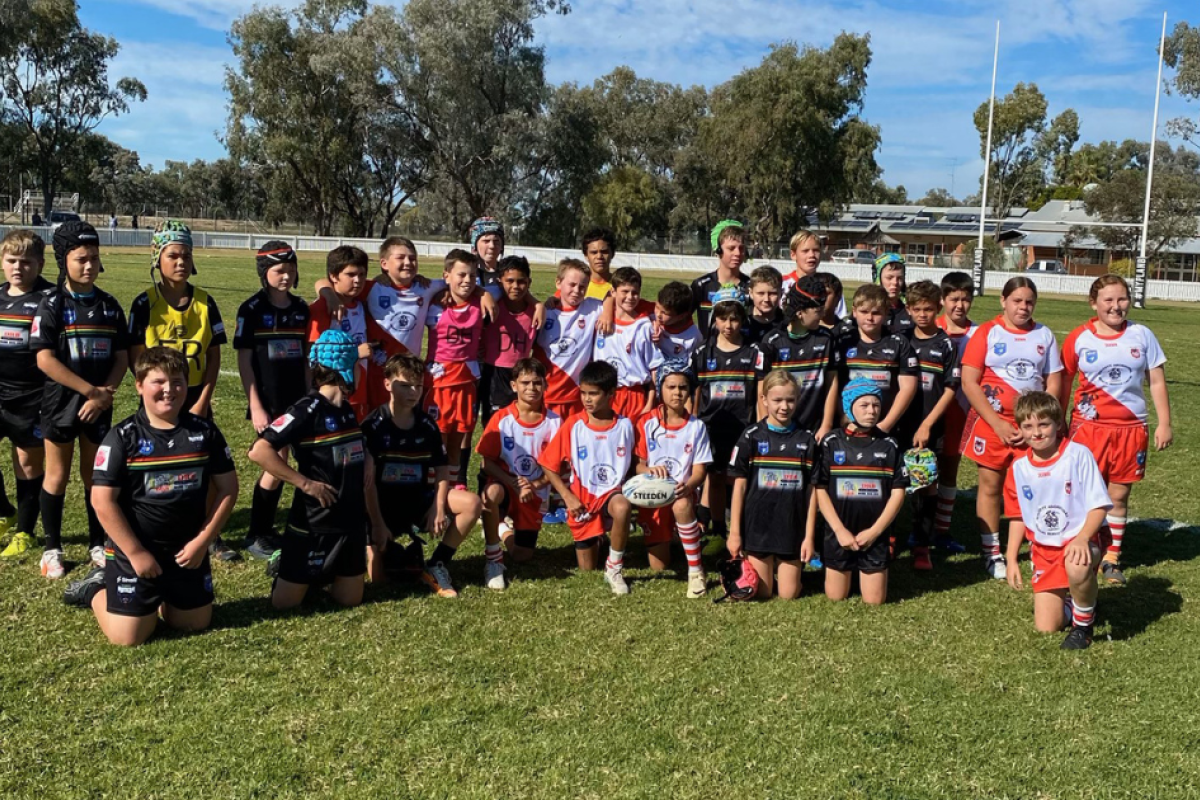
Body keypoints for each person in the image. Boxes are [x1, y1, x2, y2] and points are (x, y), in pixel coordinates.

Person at [60, 348, 238, 646]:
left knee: (194, 624)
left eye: (178, 381)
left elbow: (229, 488)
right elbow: (102, 501)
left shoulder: (205, 431)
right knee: (129, 638)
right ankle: (95, 589)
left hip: (186, 551)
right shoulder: (122, 437)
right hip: (136, 552)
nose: (169, 390)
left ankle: (161, 595)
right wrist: (135, 552)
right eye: (159, 382)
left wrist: (202, 542)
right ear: (139, 385)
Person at [31, 222, 129, 579]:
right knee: (56, 476)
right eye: (81, 259)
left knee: (95, 477)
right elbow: (44, 359)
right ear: (63, 260)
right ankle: (52, 548)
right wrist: (90, 391)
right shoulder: (52, 304)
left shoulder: (109, 305)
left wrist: (104, 395)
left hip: (99, 404)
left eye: (94, 258)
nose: (89, 266)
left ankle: (98, 543)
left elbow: (121, 358)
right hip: (61, 403)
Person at [248, 330, 372, 610]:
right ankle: (285, 560)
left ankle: (321, 574)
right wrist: (305, 483)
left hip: (350, 523)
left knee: (350, 600)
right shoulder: (308, 409)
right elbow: (259, 451)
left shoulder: (347, 410)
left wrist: (368, 457)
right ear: (345, 368)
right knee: (284, 605)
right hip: (314, 523)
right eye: (357, 365)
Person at [1061, 274, 1172, 586]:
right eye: (1108, 300)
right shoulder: (1079, 337)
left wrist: (1164, 423)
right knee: (1084, 493)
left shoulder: (1142, 334)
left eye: (1121, 299)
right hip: (1088, 428)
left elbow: (1157, 380)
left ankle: (1111, 558)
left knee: (1119, 494)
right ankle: (1085, 548)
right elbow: (1065, 381)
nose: (1115, 306)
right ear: (1093, 303)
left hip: (1131, 428)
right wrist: (1058, 421)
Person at [961, 276, 1063, 579]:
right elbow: (969, 382)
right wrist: (998, 424)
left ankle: (1037, 548)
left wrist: (1038, 423)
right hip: (992, 427)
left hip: (1030, 430)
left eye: (1029, 301)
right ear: (1003, 301)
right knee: (991, 487)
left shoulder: (1044, 334)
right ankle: (992, 553)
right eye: (1017, 301)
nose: (1024, 307)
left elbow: (1053, 380)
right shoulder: (987, 332)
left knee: (1032, 488)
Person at [363, 353, 483, 597]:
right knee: (379, 581)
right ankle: (378, 547)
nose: (413, 392)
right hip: (380, 508)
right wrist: (377, 524)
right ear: (387, 384)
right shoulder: (373, 425)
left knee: (472, 503)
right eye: (405, 385)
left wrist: (438, 507)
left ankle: (437, 563)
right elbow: (366, 485)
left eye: (418, 386)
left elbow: (441, 470)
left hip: (418, 500)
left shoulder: (428, 425)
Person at [1003, 391, 1113, 650]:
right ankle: (1080, 598)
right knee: (1046, 626)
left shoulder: (1077, 455)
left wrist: (1083, 538)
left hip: (1081, 538)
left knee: (1077, 564)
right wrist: (1010, 559)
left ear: (1058, 424)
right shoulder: (1019, 469)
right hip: (1044, 550)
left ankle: (1083, 627)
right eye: (1028, 426)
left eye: (1044, 424)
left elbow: (1099, 505)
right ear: (1020, 429)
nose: (1037, 432)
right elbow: (1018, 516)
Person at [234, 241, 310, 560]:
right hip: (269, 402)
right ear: (264, 273)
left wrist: (310, 399)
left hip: (298, 401)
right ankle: (257, 532)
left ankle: (283, 528)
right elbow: (244, 361)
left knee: (294, 460)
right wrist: (256, 405)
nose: (286, 276)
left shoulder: (301, 308)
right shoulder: (251, 310)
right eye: (279, 270)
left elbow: (306, 358)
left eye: (290, 270)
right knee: (274, 460)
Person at [537, 361, 636, 595]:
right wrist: (567, 497)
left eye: (593, 394)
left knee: (621, 507)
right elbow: (548, 465)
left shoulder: (625, 426)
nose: (587, 399)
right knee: (587, 570)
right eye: (583, 393)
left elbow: (636, 463)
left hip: (612, 494)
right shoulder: (574, 425)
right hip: (582, 502)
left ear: (611, 393)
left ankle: (615, 567)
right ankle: (599, 540)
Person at [815, 379, 908, 605]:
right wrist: (839, 530)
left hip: (874, 536)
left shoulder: (889, 445)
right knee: (836, 597)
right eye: (864, 405)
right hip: (839, 534)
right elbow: (820, 489)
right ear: (849, 407)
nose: (871, 411)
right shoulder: (831, 442)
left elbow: (898, 493)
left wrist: (874, 532)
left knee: (875, 601)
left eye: (876, 405)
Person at [728, 370, 818, 600]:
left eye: (790, 400)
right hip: (758, 527)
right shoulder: (751, 437)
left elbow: (812, 493)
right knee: (764, 592)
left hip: (791, 529)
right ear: (764, 400)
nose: (784, 407)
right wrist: (735, 534)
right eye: (777, 400)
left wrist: (809, 537)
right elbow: (739, 488)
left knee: (788, 595)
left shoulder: (806, 440)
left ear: (798, 400)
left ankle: (792, 575)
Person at [632, 359, 712, 597]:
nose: (677, 393)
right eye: (671, 387)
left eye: (683, 387)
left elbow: (699, 472)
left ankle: (696, 572)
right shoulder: (646, 423)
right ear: (661, 389)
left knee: (682, 504)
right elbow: (638, 466)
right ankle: (680, 536)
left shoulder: (697, 427)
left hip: (682, 493)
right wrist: (649, 471)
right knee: (660, 566)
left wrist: (687, 487)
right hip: (652, 496)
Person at [690, 293, 764, 545]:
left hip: (743, 427)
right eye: (723, 319)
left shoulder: (754, 351)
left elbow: (759, 393)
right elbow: (696, 391)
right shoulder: (702, 351)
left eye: (734, 319)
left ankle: (740, 526)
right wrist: (693, 423)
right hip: (711, 426)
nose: (729, 325)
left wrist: (761, 425)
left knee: (740, 478)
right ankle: (718, 525)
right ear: (714, 320)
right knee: (716, 477)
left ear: (742, 319)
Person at [896, 280, 961, 570]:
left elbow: (949, 389)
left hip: (929, 427)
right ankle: (891, 538)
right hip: (898, 425)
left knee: (926, 484)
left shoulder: (945, 344)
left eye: (929, 309)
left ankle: (922, 545)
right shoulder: (900, 339)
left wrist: (927, 424)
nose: (923, 315)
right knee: (892, 482)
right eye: (917, 309)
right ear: (908, 309)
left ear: (938, 309)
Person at [477, 358, 561, 567]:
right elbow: (486, 464)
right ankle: (493, 555)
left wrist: (534, 485)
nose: (531, 388)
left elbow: (558, 466)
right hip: (506, 485)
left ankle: (502, 528)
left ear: (545, 385)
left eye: (537, 382)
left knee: (521, 555)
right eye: (525, 383)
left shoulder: (555, 422)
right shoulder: (501, 419)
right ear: (514, 386)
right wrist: (513, 482)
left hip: (535, 492)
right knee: (491, 494)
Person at [423, 249, 486, 488]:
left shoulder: (481, 303)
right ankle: (432, 491)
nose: (467, 281)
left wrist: (484, 294)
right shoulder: (433, 302)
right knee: (436, 440)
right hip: (438, 384)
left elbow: (503, 291)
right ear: (446, 275)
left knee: (457, 440)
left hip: (466, 383)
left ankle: (453, 486)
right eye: (461, 275)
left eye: (472, 276)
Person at [306, 245, 392, 421]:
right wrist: (354, 353)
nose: (358, 280)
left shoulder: (361, 301)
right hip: (333, 396)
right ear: (333, 276)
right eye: (351, 275)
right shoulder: (323, 308)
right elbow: (312, 356)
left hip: (359, 394)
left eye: (362, 274)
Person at [834, 284, 919, 441]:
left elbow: (908, 387)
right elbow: (833, 384)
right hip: (848, 425)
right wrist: (845, 416)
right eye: (864, 312)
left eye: (876, 313)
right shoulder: (842, 341)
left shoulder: (898, 343)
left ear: (886, 313)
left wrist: (886, 425)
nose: (869, 318)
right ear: (854, 311)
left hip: (886, 427)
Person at [756, 275, 837, 439]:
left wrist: (826, 424)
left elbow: (831, 383)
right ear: (800, 312)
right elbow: (761, 389)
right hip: (778, 427)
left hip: (815, 429)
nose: (822, 314)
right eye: (817, 311)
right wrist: (766, 425)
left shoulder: (826, 339)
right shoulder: (772, 341)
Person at [932, 271, 977, 554]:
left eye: (965, 299)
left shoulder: (980, 333)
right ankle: (918, 529)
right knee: (921, 471)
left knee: (949, 470)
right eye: (953, 299)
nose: (959, 305)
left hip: (961, 411)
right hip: (929, 411)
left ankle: (941, 531)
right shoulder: (930, 327)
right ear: (942, 300)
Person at [534, 258, 604, 420]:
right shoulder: (545, 312)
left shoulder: (593, 308)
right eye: (572, 285)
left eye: (582, 287)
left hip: (575, 394)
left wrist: (607, 310)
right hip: (546, 394)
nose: (577, 290)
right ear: (558, 283)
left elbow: (615, 298)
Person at [595, 267, 662, 420]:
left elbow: (654, 368)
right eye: (625, 291)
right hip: (603, 394)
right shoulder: (599, 319)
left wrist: (650, 401)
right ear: (613, 292)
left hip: (635, 397)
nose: (630, 297)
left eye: (635, 292)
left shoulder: (644, 326)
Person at [482, 255, 538, 417]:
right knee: (493, 425)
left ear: (529, 283)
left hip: (521, 374)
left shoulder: (536, 313)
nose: (516, 286)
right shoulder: (491, 307)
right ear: (500, 281)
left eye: (521, 281)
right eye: (510, 281)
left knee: (521, 421)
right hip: (493, 374)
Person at [690, 220, 751, 332]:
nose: (737, 253)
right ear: (718, 250)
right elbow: (681, 317)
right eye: (731, 248)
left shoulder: (751, 286)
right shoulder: (701, 285)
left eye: (741, 248)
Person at [652, 281, 703, 364]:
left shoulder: (693, 336)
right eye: (657, 307)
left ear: (681, 316)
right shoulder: (650, 319)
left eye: (664, 313)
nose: (658, 315)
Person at [873, 253, 913, 336]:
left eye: (900, 278)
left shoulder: (910, 311)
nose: (895, 283)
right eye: (889, 278)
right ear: (878, 278)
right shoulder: (866, 311)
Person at [746, 265, 786, 344]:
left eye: (772, 293)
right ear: (750, 293)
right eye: (761, 293)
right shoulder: (741, 321)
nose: (766, 299)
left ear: (781, 293)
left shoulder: (787, 324)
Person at [581, 227, 617, 300]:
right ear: (586, 255)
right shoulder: (577, 285)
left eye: (604, 252)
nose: (599, 256)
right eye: (594, 252)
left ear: (612, 254)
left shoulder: (620, 285)